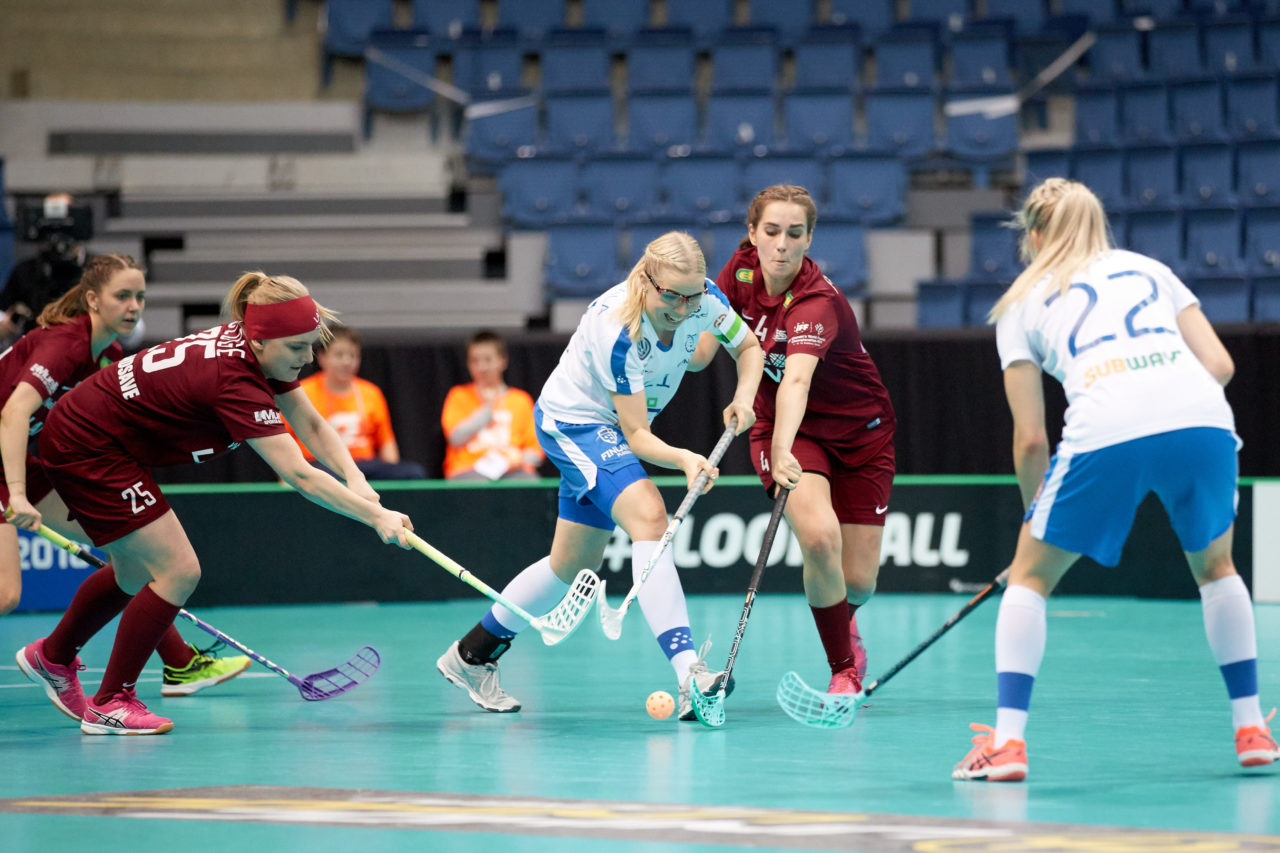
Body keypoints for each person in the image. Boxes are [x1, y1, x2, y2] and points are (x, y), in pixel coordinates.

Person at [951, 178, 1278, 781]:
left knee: (1029, 578)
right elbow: (1222, 366)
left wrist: (1034, 519)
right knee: (1217, 569)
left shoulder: (1019, 303)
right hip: (1203, 417)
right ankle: (1252, 728)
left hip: (1107, 425)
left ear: (1033, 234)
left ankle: (1007, 745)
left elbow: (1030, 439)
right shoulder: (1148, 269)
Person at [14, 271, 414, 735]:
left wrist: (358, 479)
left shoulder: (259, 349)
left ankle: (53, 656)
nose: (309, 358)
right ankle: (112, 702)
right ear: (262, 340)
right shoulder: (234, 378)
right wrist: (375, 517)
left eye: (312, 344)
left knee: (133, 569)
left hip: (98, 437)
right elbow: (299, 474)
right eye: (299, 347)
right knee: (179, 570)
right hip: (89, 445)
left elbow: (312, 424)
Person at [436, 231, 763, 720]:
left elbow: (750, 348)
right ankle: (689, 674)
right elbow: (635, 434)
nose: (681, 306)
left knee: (568, 564)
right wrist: (686, 459)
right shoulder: (619, 331)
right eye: (671, 296)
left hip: (608, 428)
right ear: (646, 281)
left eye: (691, 295)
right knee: (650, 516)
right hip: (577, 422)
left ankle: (472, 655)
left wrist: (743, 396)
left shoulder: (702, 300)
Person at [0, 254, 251, 697]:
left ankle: (178, 662)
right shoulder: (65, 344)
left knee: (132, 552)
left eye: (140, 297)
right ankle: (174, 662)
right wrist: (17, 495)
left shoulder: (109, 353)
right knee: (5, 594)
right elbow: (14, 412)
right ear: (93, 299)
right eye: (123, 296)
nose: (134, 306)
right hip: (10, 465)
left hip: (19, 464)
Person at [699, 184, 896, 697]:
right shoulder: (738, 273)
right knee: (818, 538)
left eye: (794, 233)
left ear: (809, 239)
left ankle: (843, 621)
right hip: (787, 428)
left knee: (859, 583)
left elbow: (797, 381)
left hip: (861, 435)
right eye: (771, 232)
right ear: (751, 234)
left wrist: (780, 448)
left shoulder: (816, 301)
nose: (781, 244)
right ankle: (844, 670)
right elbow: (704, 347)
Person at [287, 325, 425, 480]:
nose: (347, 361)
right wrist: (285, 476)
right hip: (322, 464)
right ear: (322, 357)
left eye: (353, 355)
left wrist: (391, 474)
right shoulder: (303, 392)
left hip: (364, 465)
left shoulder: (371, 392)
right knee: (322, 476)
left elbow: (386, 442)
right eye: (339, 355)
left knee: (413, 473)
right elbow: (284, 439)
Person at [441, 330, 543, 481]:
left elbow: (537, 448)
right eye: (474, 361)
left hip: (512, 470)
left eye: (488, 360)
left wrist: (520, 459)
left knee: (529, 481)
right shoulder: (459, 395)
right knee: (477, 485)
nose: (481, 367)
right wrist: (486, 409)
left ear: (502, 361)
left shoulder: (520, 400)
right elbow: (455, 438)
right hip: (468, 469)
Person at [0, 193, 88, 344]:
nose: (58, 230)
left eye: (64, 221)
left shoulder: (99, 269)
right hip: (36, 354)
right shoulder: (25, 271)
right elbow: (3, 315)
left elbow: (133, 334)